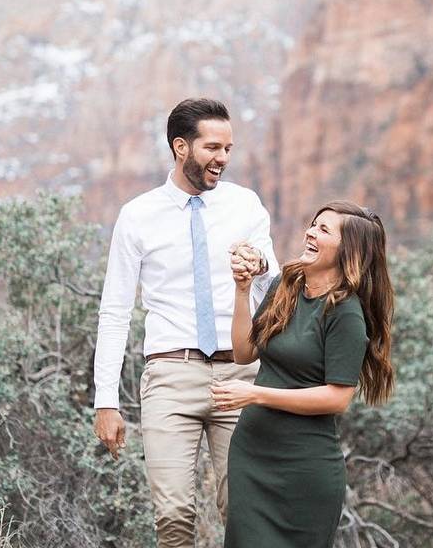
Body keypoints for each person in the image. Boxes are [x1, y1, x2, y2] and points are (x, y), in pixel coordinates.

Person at [93, 97, 279, 548]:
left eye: (229, 148)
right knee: (174, 515)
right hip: (170, 377)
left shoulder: (245, 205)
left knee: (244, 509)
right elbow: (115, 309)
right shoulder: (137, 215)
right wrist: (105, 400)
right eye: (213, 148)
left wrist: (258, 264)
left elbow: (274, 282)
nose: (223, 159)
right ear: (181, 147)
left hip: (240, 375)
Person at [212, 201, 395, 548]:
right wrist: (241, 290)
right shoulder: (286, 284)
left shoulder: (346, 314)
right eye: (313, 225)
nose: (309, 232)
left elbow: (337, 398)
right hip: (251, 455)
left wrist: (256, 395)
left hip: (304, 470)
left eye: (324, 230)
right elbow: (243, 352)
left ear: (348, 251)